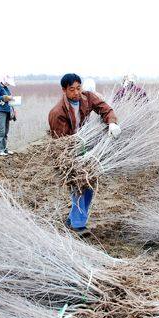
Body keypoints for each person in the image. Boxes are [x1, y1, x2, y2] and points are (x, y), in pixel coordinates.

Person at [48, 73, 121, 233]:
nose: (76, 93)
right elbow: (62, 143)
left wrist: (112, 123)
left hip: (86, 147)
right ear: (64, 90)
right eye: (72, 89)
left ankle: (73, 219)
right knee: (80, 185)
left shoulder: (87, 98)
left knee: (89, 184)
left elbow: (105, 109)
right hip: (69, 153)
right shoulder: (57, 112)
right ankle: (77, 224)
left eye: (78, 88)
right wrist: (74, 157)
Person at [0, 75, 16, 156]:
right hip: (0, 111)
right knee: (0, 131)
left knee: (5, 131)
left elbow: (9, 98)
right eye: (8, 83)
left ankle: (5, 149)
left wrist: (13, 110)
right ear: (3, 80)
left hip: (7, 110)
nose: (8, 84)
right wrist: (5, 97)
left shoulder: (5, 88)